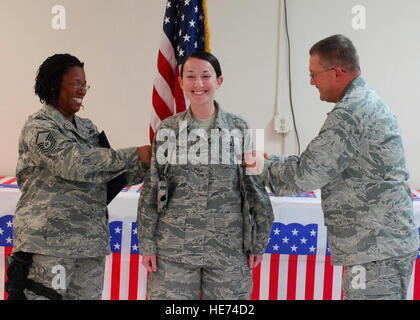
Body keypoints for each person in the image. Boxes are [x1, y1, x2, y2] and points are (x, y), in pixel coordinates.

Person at [247, 34, 419, 300]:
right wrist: (273, 162)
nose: (311, 82)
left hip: (375, 250)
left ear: (337, 72)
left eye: (314, 74)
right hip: (381, 246)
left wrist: (262, 167)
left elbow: (306, 174)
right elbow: (325, 164)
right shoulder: (363, 101)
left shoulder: (350, 113)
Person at [6, 53, 152, 300]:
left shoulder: (87, 128)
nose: (82, 90)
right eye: (76, 83)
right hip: (50, 247)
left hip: (90, 246)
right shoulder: (39, 128)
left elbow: (109, 177)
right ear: (54, 84)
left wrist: (152, 163)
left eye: (85, 85)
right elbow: (75, 164)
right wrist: (136, 153)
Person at [137, 51, 274, 300]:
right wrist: (147, 244)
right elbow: (153, 187)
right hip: (174, 250)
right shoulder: (167, 129)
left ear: (219, 81)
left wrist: (259, 240)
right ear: (180, 82)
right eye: (190, 76)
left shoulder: (240, 127)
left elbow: (255, 189)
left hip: (228, 251)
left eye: (205, 76)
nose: (198, 84)